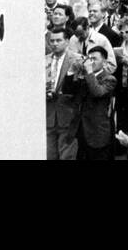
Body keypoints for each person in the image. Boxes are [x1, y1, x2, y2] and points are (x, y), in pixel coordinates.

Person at [45, 28, 82, 160]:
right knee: (49, 154)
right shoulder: (44, 60)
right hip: (48, 114)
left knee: (67, 155)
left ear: (66, 41)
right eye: (52, 41)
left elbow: (79, 88)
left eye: (58, 40)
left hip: (68, 114)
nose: (55, 43)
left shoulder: (77, 60)